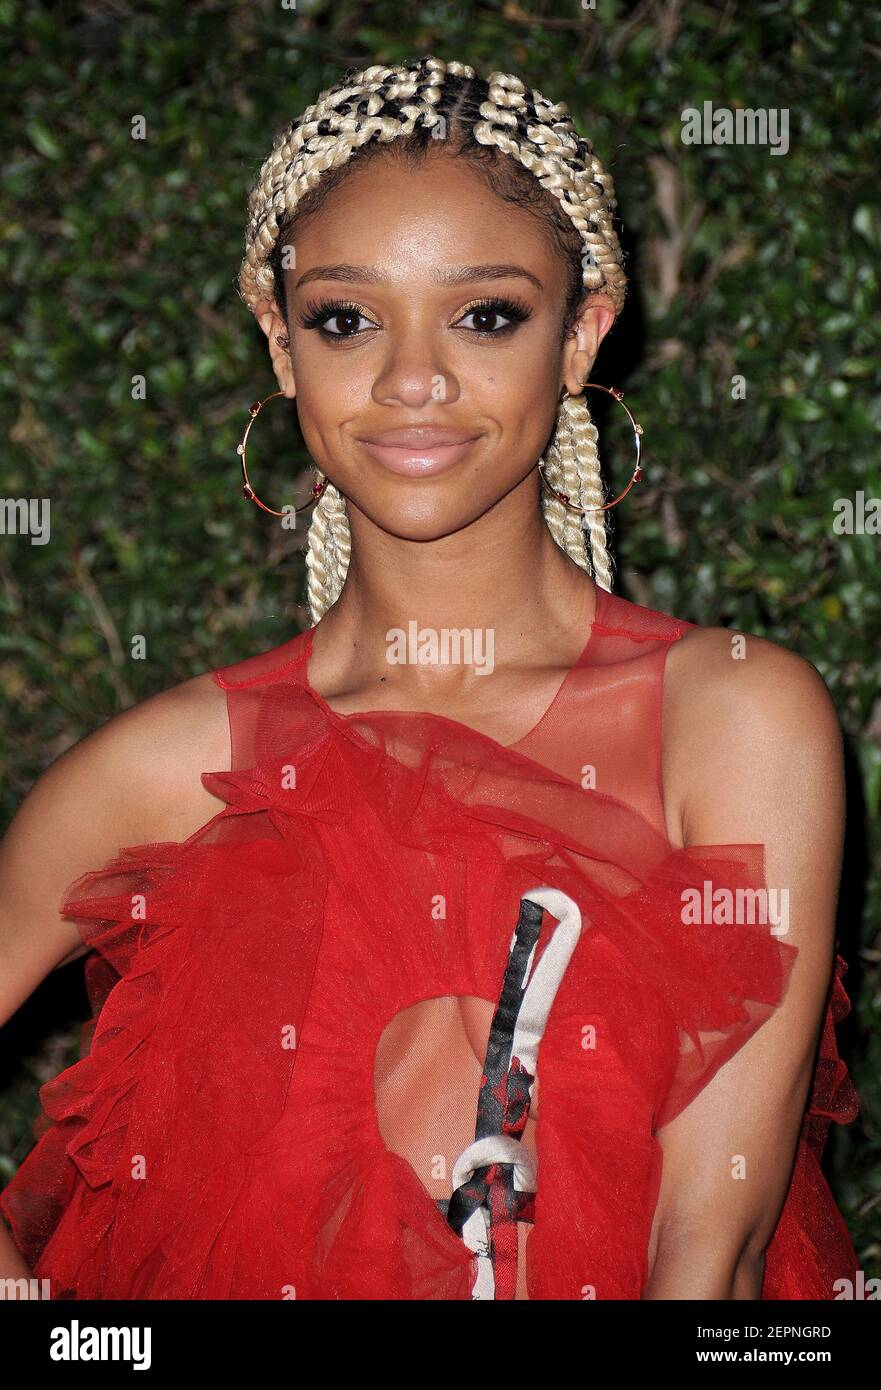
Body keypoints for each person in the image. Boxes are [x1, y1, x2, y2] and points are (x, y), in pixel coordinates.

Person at [0, 55, 860, 1300]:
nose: (411, 379)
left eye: (487, 314)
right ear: (279, 344)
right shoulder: (162, 769)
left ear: (582, 333)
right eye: (345, 319)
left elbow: (708, 1250)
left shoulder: (732, 719)